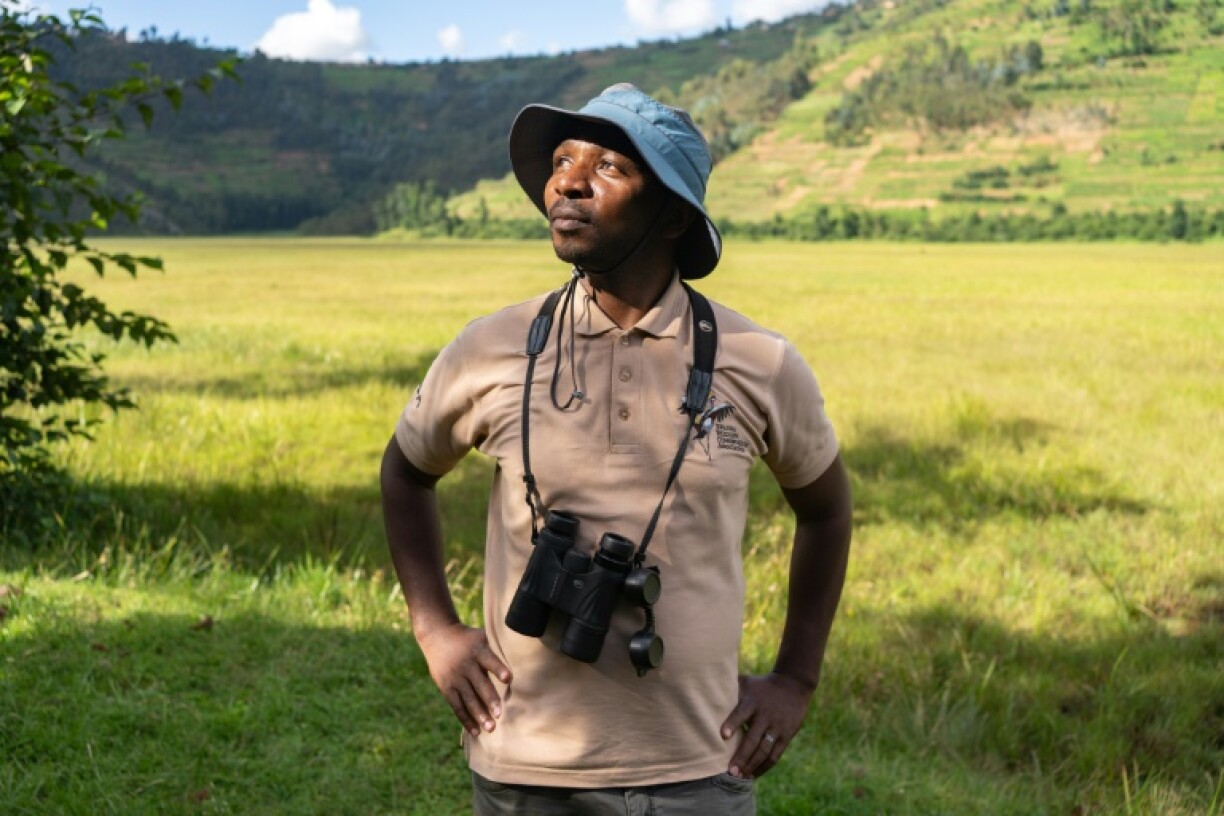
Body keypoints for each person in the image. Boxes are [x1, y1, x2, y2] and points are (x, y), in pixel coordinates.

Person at [380, 83, 852, 815]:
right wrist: (437, 631)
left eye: (608, 167)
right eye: (563, 160)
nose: (566, 181)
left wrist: (795, 679)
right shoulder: (493, 347)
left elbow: (826, 511)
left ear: (671, 216)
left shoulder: (758, 361)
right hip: (524, 766)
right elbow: (406, 472)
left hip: (698, 766)